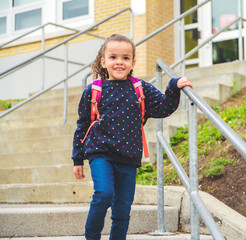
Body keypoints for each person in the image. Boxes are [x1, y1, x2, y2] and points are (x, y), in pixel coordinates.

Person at [71, 34, 192, 240]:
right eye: (113, 57)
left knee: (123, 208)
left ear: (133, 62)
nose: (119, 62)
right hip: (100, 153)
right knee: (104, 194)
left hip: (128, 156)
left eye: (125, 58)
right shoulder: (93, 91)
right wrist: (77, 159)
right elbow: (82, 126)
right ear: (104, 62)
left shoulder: (140, 88)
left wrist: (173, 86)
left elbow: (164, 107)